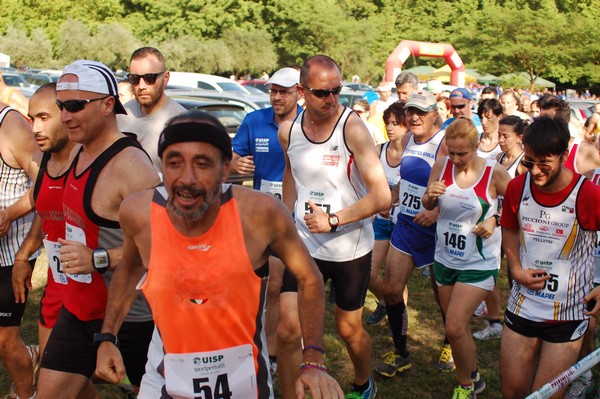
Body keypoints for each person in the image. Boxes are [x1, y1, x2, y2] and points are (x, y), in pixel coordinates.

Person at [95, 110, 344, 399]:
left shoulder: (260, 214)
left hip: (243, 378)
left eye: (202, 164)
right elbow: (128, 269)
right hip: (164, 371)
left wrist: (313, 358)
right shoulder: (138, 213)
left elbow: (309, 277)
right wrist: (107, 337)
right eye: (174, 163)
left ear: (226, 169)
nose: (186, 178)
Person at [35, 60, 160, 399]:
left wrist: (99, 259)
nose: (65, 116)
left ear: (107, 105)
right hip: (79, 308)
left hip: (130, 318)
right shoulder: (78, 150)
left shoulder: (131, 167)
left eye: (75, 106)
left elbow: (165, 244)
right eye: (62, 106)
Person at [279, 55, 391, 399]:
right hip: (303, 245)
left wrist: (334, 219)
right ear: (301, 91)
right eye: (322, 93)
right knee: (287, 329)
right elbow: (291, 175)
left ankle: (362, 382)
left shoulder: (352, 128)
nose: (332, 100)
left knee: (348, 329)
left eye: (337, 91)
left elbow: (382, 196)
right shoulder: (289, 131)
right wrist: (285, 220)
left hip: (349, 248)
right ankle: (291, 391)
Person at [500, 116, 600, 399]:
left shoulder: (588, 194)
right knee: (514, 392)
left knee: (545, 396)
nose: (535, 171)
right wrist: (516, 268)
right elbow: (509, 227)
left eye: (544, 163)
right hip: (523, 306)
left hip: (567, 315)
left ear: (564, 157)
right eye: (529, 162)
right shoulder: (518, 187)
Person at [423, 118, 510, 399]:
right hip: (445, 258)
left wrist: (495, 219)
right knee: (458, 328)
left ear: (476, 148)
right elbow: (428, 203)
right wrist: (429, 195)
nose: (457, 159)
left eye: (464, 153)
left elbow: (522, 205)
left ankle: (465, 387)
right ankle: (474, 375)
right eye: (453, 152)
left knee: (454, 326)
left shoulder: (493, 173)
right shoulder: (441, 166)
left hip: (479, 263)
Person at [231, 66, 303, 398]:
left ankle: (271, 352)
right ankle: (257, 343)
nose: (276, 97)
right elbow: (232, 157)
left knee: (275, 284)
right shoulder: (255, 121)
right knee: (252, 281)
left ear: (298, 93)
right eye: (272, 91)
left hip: (297, 214)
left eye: (283, 91)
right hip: (257, 214)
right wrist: (235, 163)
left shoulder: (308, 124)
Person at [376, 91, 450, 378]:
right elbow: (405, 180)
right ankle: (402, 354)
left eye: (421, 112)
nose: (414, 117)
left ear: (435, 114)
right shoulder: (407, 140)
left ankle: (450, 345)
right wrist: (392, 198)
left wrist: (437, 212)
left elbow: (462, 185)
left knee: (442, 297)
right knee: (392, 291)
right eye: (411, 112)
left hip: (437, 231)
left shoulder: (444, 142)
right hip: (406, 224)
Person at [12, 83, 76, 362]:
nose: (35, 128)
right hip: (56, 286)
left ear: (66, 114)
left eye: (43, 118)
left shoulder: (90, 163)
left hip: (93, 296)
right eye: (31, 119)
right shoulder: (45, 164)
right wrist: (23, 257)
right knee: (55, 373)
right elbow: (44, 214)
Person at [0, 94, 41, 399]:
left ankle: (26, 394)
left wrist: (8, 214)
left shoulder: (12, 125)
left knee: (3, 339)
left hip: (10, 253)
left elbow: (46, 185)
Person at [366, 102, 409, 327]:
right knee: (369, 272)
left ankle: (400, 322)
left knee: (397, 278)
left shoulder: (413, 154)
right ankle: (385, 302)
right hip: (381, 220)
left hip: (404, 222)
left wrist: (392, 198)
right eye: (388, 123)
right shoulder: (379, 150)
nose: (390, 128)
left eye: (396, 123)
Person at [117, 46, 186, 175]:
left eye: (150, 78)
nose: (142, 86)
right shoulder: (120, 114)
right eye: (134, 79)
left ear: (165, 78)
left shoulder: (182, 124)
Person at [538, 94, 600, 174]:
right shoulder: (535, 147)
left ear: (562, 123)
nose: (538, 124)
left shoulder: (585, 152)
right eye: (538, 119)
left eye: (544, 121)